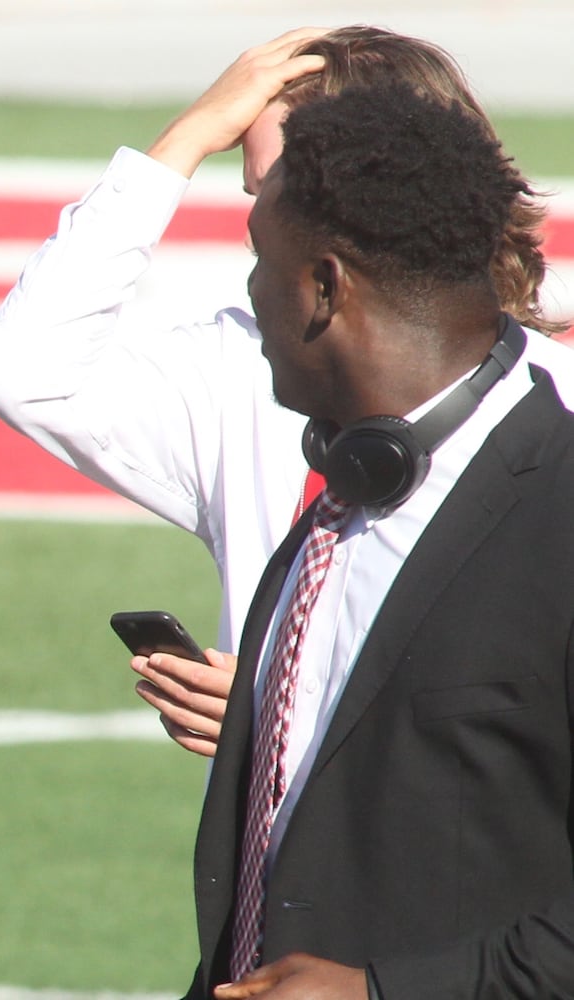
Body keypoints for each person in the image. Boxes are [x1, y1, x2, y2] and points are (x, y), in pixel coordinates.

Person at [0, 26, 574, 757]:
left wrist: (289, 719)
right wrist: (179, 146)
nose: (263, 233)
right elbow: (24, 372)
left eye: (284, 189)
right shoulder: (244, 373)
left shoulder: (555, 411)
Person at [182, 83, 574, 998]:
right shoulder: (340, 506)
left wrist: (382, 994)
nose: (248, 293)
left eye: (258, 264)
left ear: (324, 287)